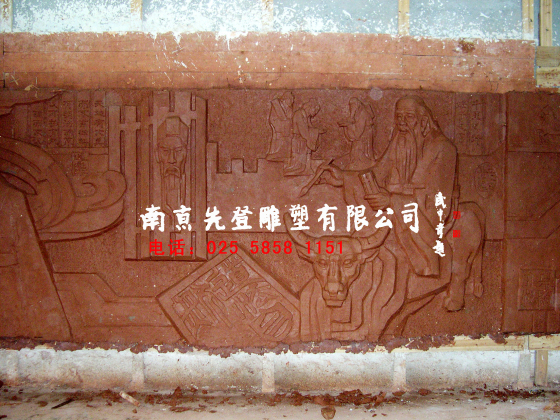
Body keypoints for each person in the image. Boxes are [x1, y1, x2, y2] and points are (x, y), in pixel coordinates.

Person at [285, 99, 324, 175]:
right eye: (315, 110)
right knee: (299, 166)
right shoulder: (299, 114)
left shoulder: (306, 116)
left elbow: (310, 128)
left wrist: (317, 131)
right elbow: (303, 130)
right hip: (298, 141)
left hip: (303, 141)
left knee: (304, 164)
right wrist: (316, 131)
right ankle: (290, 172)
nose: (315, 112)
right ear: (310, 107)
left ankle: (307, 169)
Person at [266, 92, 294, 162]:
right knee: (281, 137)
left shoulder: (289, 109)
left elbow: (290, 120)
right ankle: (275, 154)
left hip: (286, 128)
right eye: (290, 99)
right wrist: (284, 123)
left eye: (292, 99)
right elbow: (273, 119)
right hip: (278, 127)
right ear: (285, 99)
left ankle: (284, 154)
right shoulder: (276, 106)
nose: (292, 101)